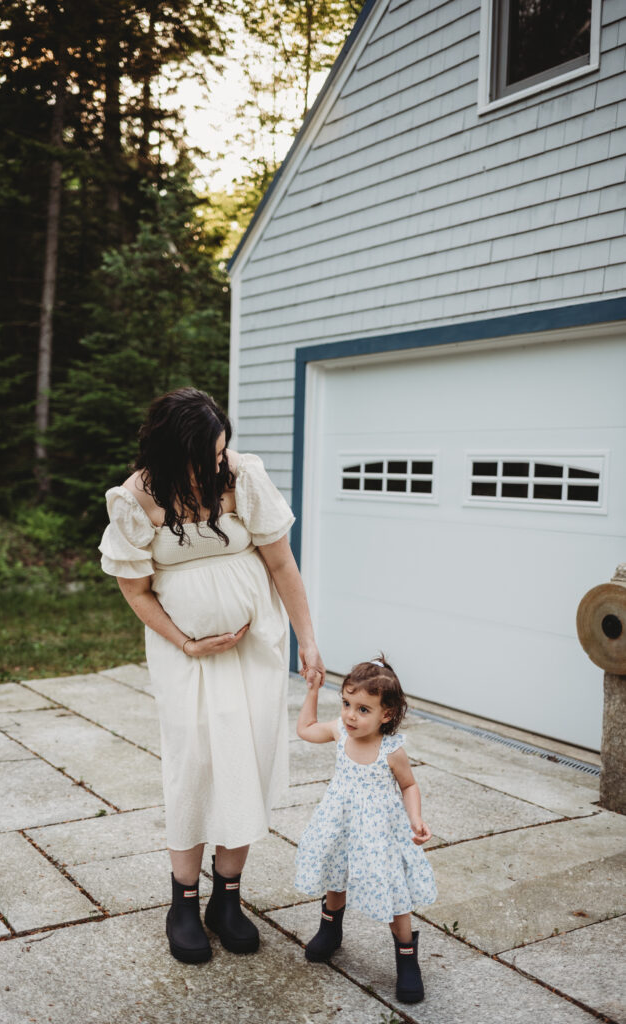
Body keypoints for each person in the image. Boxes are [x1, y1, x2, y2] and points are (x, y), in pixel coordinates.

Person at [99, 387, 325, 965]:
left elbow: (281, 562)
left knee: (246, 757)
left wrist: (307, 639)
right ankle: (184, 901)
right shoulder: (135, 500)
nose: (221, 462)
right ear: (175, 454)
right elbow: (136, 591)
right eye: (210, 454)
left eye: (223, 450)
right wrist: (187, 642)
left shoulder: (242, 478)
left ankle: (228, 899)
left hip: (255, 648)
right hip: (186, 656)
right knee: (195, 762)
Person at [294, 656, 436, 1004]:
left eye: (362, 709)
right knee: (335, 875)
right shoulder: (339, 733)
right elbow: (306, 728)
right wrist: (312, 690)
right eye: (346, 704)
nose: (350, 715)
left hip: (379, 836)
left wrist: (415, 818)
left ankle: (406, 958)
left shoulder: (391, 750)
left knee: (393, 893)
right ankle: (330, 930)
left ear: (386, 715)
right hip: (340, 825)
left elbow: (409, 785)